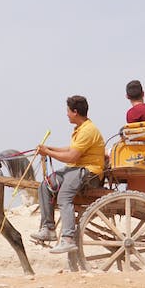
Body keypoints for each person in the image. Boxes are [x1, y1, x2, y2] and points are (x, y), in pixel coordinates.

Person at [30, 95, 106, 254]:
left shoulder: (88, 131)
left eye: (68, 111)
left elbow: (72, 156)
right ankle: (48, 229)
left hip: (89, 172)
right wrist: (48, 149)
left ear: (75, 112)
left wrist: (48, 152)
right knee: (45, 185)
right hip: (76, 170)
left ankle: (68, 239)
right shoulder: (81, 129)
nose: (66, 114)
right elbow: (71, 149)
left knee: (64, 196)